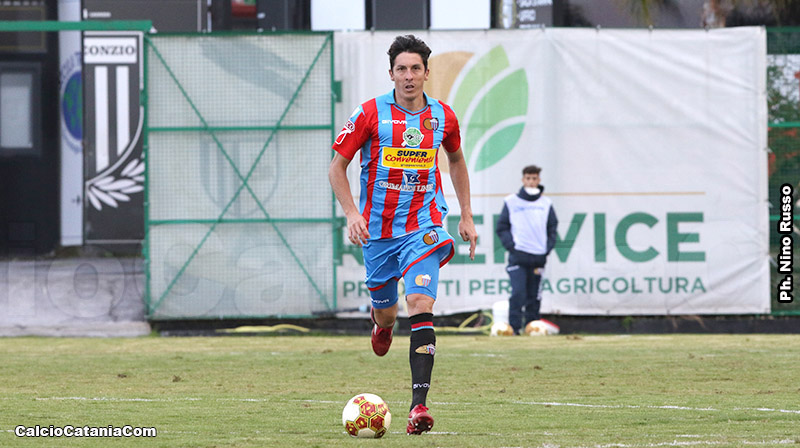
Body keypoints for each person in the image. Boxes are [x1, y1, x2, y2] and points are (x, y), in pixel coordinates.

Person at [328, 34, 478, 435]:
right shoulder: (369, 114)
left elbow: (457, 160)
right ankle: (382, 323)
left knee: (420, 302)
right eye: (401, 69)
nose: (408, 76)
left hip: (423, 227)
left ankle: (418, 407)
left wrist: (466, 215)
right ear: (391, 73)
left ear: (427, 73)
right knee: (389, 310)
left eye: (415, 68)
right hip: (377, 233)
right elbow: (336, 167)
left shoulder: (443, 117)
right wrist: (351, 214)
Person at [496, 165, 558, 335]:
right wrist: (512, 247)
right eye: (528, 178)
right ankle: (515, 328)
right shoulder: (511, 201)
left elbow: (552, 228)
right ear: (523, 180)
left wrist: (546, 249)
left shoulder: (546, 203)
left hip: (538, 257)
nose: (531, 182)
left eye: (534, 178)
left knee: (534, 296)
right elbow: (502, 227)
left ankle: (532, 328)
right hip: (518, 255)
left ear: (539, 180)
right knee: (518, 293)